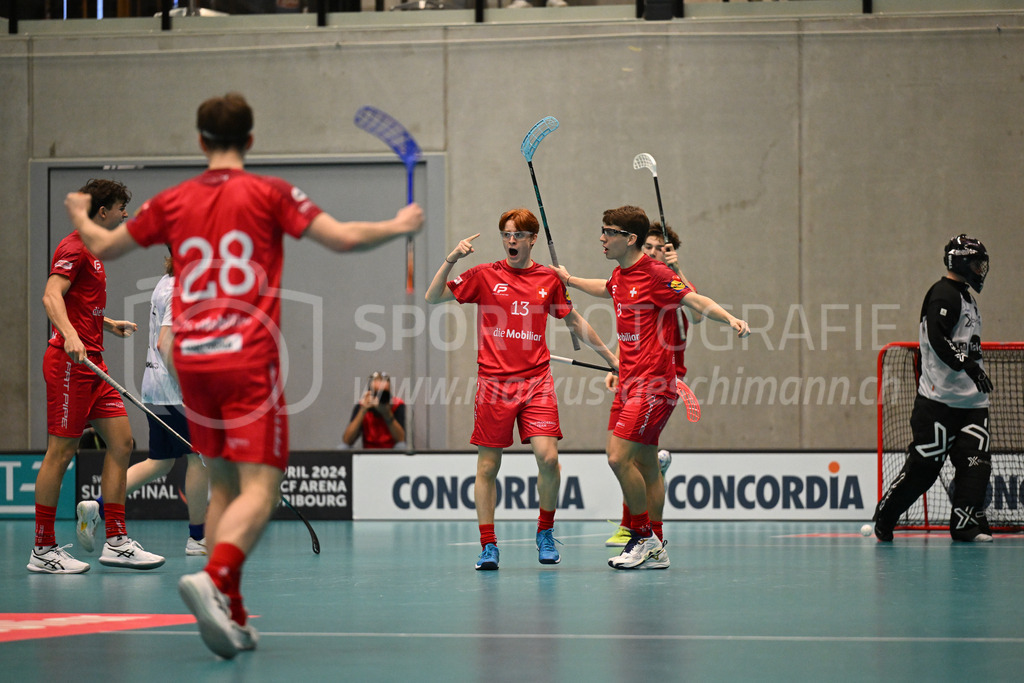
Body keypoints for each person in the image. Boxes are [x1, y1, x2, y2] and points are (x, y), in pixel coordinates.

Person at [67, 92, 423, 658]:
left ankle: (230, 608)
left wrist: (80, 212)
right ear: (251, 140)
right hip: (247, 361)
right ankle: (215, 576)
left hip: (192, 366)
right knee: (261, 487)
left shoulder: (174, 200)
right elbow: (344, 237)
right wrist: (398, 224)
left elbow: (105, 243)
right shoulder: (271, 192)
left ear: (200, 141)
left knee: (225, 488)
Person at [555, 205, 749, 570]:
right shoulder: (619, 275)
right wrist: (570, 280)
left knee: (617, 457)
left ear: (630, 239)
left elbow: (694, 300)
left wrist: (729, 318)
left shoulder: (657, 274)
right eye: (602, 230)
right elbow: (605, 288)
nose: (602, 237)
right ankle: (656, 546)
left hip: (655, 385)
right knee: (645, 463)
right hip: (631, 382)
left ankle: (643, 538)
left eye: (609, 232)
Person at [425, 208, 618, 571]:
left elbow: (574, 320)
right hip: (494, 384)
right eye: (506, 234)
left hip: (536, 382)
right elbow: (433, 297)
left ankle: (545, 532)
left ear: (532, 239)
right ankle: (488, 545)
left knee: (548, 459)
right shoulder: (484, 275)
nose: (510, 240)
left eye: (517, 235)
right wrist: (452, 259)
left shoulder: (548, 278)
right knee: (488, 466)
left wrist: (611, 359)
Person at [29, 178, 165, 575]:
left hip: (94, 364)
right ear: (103, 211)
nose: (126, 214)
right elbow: (51, 295)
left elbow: (78, 302)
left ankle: (117, 541)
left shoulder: (94, 251)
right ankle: (43, 548)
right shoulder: (73, 248)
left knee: (122, 443)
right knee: (61, 453)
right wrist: (70, 335)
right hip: (69, 364)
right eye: (121, 208)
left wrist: (105, 323)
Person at [77, 255, 210, 557]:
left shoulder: (166, 281)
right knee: (199, 459)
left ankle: (97, 507)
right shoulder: (179, 289)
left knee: (160, 462)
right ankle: (198, 538)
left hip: (155, 387)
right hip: (174, 391)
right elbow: (165, 343)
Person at [873, 234, 994, 543]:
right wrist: (969, 366)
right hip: (938, 404)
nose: (980, 270)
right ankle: (886, 515)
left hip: (973, 404)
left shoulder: (966, 297)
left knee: (976, 466)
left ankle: (965, 525)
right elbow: (937, 340)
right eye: (976, 264)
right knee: (924, 469)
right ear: (961, 263)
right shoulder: (943, 295)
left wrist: (973, 370)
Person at [605, 222, 702, 547]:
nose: (653, 253)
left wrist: (677, 269)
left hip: (662, 377)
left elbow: (697, 313)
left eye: (661, 249)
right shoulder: (632, 280)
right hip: (631, 375)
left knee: (624, 456)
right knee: (624, 455)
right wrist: (617, 363)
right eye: (649, 247)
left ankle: (638, 531)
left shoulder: (669, 282)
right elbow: (632, 328)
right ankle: (642, 531)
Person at [341, 371, 406, 449]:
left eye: (383, 393)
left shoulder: (397, 405)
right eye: (376, 393)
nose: (379, 398)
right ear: (369, 393)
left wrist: (387, 414)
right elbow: (347, 440)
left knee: (402, 446)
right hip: (368, 451)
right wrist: (363, 410)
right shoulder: (362, 406)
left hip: (392, 452)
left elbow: (401, 439)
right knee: (343, 447)